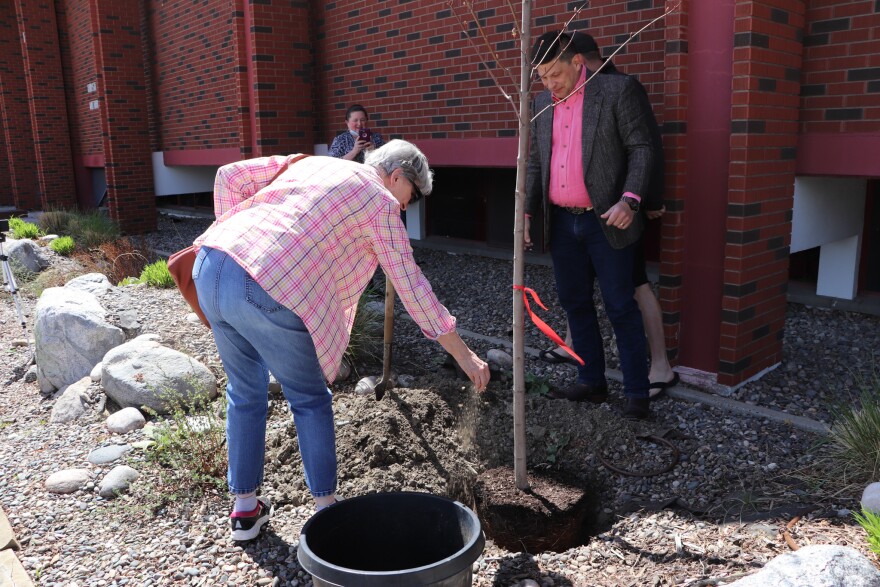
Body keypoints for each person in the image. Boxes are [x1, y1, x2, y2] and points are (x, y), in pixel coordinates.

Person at [191, 140, 490, 541]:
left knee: (245, 391)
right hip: (265, 283)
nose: (406, 206)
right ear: (396, 175)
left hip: (211, 265)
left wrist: (239, 244)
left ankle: (245, 512)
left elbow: (228, 175)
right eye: (412, 196)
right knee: (309, 398)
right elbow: (413, 287)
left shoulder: (315, 164)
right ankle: (326, 514)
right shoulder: (379, 201)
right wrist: (465, 356)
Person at [537, 31, 679, 399]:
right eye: (542, 76)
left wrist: (631, 200)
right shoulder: (540, 104)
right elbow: (536, 163)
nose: (550, 83)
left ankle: (636, 393)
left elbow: (642, 148)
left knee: (620, 306)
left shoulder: (617, 90)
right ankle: (591, 382)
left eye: (555, 73)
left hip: (608, 220)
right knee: (575, 303)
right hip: (563, 221)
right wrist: (525, 214)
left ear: (577, 63)